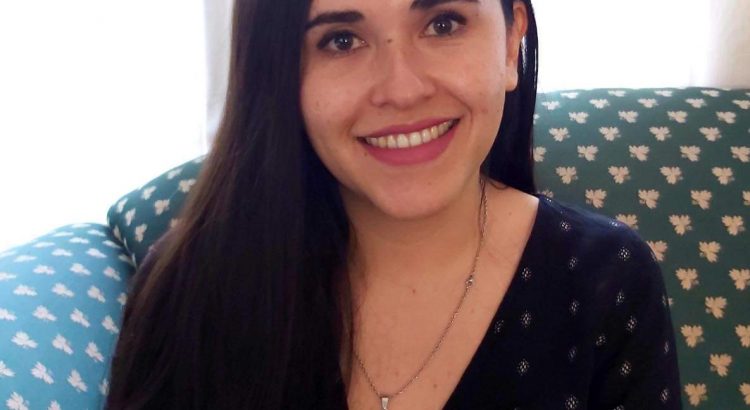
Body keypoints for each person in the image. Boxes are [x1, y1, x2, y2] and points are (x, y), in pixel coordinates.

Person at [105, 0, 682, 408]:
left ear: (511, 43)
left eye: (443, 23)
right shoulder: (189, 287)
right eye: (340, 40)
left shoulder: (606, 279)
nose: (402, 90)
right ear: (278, 73)